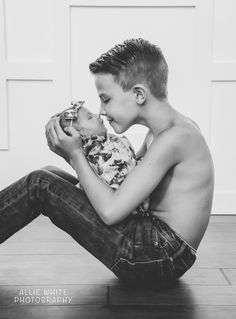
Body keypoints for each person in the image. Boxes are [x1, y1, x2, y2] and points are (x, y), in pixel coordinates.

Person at [0, 38, 214, 289]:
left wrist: (76, 155)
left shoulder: (175, 138)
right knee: (50, 175)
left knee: (40, 184)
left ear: (138, 94)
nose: (101, 110)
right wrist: (73, 152)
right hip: (154, 246)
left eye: (106, 98)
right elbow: (118, 180)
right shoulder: (162, 131)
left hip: (160, 255)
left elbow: (111, 211)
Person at [59, 100, 149, 213]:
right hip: (127, 205)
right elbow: (120, 185)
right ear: (78, 135)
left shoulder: (106, 140)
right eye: (90, 117)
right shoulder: (98, 156)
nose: (98, 115)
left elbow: (129, 162)